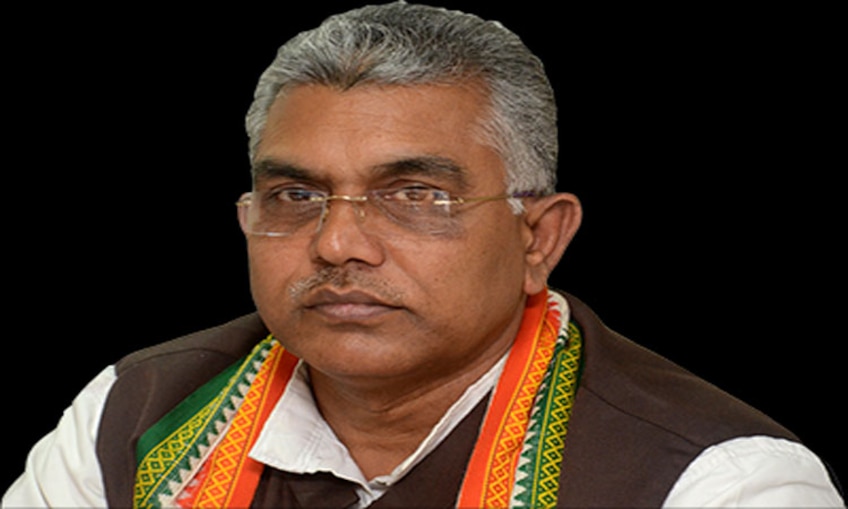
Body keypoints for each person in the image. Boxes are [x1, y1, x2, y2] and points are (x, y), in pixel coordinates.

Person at [3, 2, 843, 508]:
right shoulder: (133, 412)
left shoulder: (714, 481)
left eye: (416, 195)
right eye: (295, 196)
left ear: (538, 237)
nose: (337, 243)